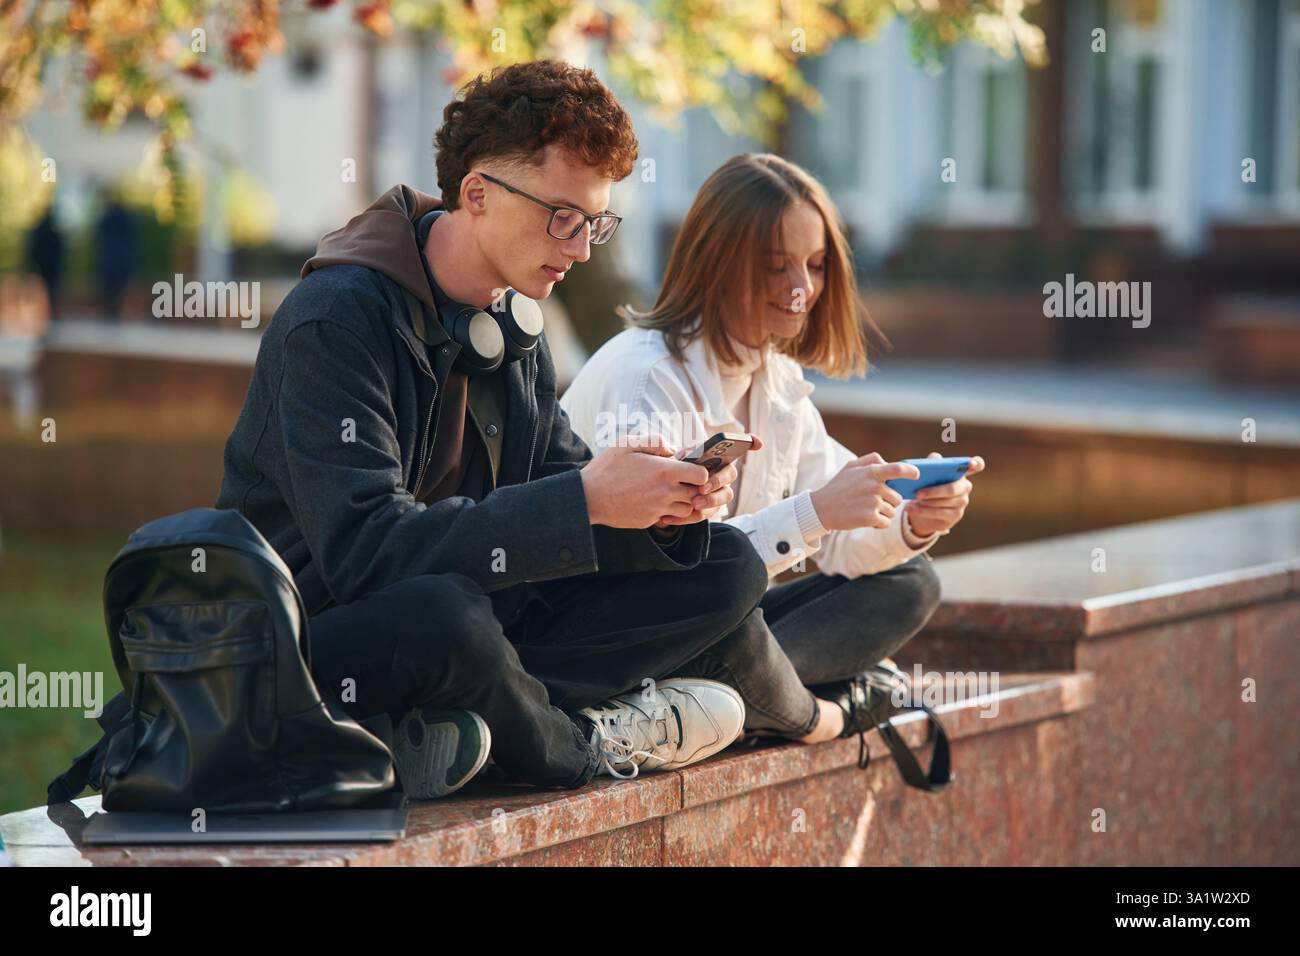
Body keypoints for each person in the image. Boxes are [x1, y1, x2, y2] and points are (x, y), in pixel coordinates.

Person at [216, 64, 822, 800]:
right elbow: (367, 553)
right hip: (320, 639)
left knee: (722, 565)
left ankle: (472, 725)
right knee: (447, 616)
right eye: (563, 216)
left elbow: (556, 496)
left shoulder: (510, 322)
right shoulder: (335, 320)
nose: (582, 246)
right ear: (477, 195)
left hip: (485, 628)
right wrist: (584, 501)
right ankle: (578, 745)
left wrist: (656, 510)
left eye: (597, 222)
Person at [561, 152, 985, 755]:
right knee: (738, 628)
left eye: (814, 266)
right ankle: (801, 713)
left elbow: (841, 541)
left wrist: (910, 520)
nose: (801, 289)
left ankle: (728, 708)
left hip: (719, 636)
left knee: (909, 578)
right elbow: (670, 581)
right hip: (627, 638)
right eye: (775, 266)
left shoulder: (776, 377)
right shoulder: (646, 377)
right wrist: (813, 512)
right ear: (717, 261)